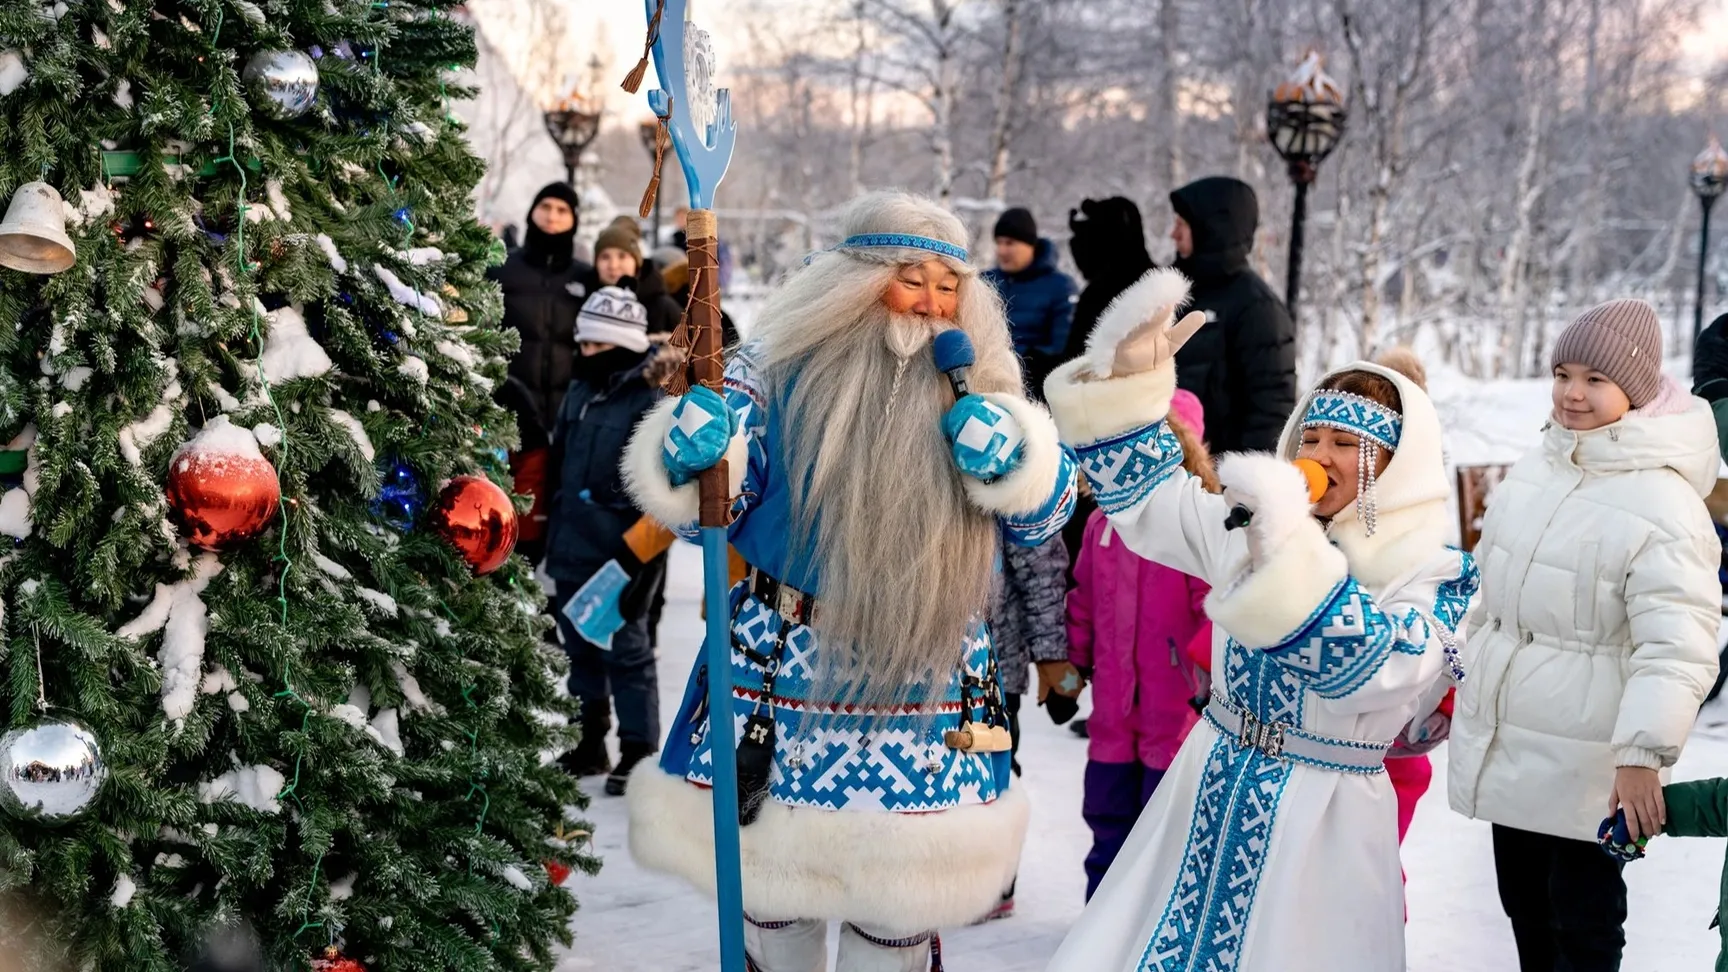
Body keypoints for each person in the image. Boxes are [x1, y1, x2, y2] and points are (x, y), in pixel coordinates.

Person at [620, 191, 1076, 971]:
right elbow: (707, 510)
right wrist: (694, 453)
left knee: (893, 917)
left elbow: (1045, 517)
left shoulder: (986, 381)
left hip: (921, 683)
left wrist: (1018, 464)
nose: (933, 303)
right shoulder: (773, 370)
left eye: (947, 283)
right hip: (781, 669)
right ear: (857, 282)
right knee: (775, 902)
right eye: (912, 278)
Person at [1040, 268, 1478, 972]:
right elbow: (1157, 507)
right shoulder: (1256, 525)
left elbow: (1381, 672)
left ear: (1397, 466)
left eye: (1350, 446)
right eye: (1313, 437)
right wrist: (1128, 396)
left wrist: (1290, 554)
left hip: (1324, 821)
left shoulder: (1435, 570)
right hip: (1208, 782)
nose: (1320, 457)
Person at [1449, 298, 1721, 972]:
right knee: (1526, 918)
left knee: (1582, 930)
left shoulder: (1663, 501)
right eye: (1563, 372)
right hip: (1513, 750)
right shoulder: (1541, 465)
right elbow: (1495, 607)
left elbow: (1678, 644)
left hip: (1589, 766)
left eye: (1595, 379)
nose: (1573, 393)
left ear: (1635, 389)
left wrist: (1641, 756)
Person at [1066, 387, 1215, 901]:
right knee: (1107, 814)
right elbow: (1083, 598)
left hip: (1173, 711)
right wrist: (1073, 665)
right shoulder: (1102, 525)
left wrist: (1208, 675)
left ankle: (1152, 927)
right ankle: (1100, 921)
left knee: (1163, 826)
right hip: (1113, 710)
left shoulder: (1195, 528)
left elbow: (1212, 609)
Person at [544, 286, 686, 796]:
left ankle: (638, 750)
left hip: (619, 555)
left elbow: (667, 494)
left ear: (622, 346)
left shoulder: (651, 401)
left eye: (596, 347)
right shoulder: (581, 391)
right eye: (582, 344)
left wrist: (639, 564)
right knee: (578, 649)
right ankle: (590, 742)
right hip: (570, 545)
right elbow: (560, 466)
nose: (584, 354)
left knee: (626, 654)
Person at [1060, 196, 1158, 740]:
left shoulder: (1111, 291)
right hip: (1134, 445)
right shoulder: (1151, 283)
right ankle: (1116, 698)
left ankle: (1113, 699)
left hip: (1106, 447)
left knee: (1106, 575)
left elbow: (1080, 367)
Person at [1167, 176, 1297, 454]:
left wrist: (1241, 489)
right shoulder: (1181, 293)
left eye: (1182, 224)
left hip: (1217, 481)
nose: (1173, 234)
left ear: (1211, 229)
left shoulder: (1257, 308)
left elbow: (1271, 412)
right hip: (1171, 473)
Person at [487, 182, 591, 432]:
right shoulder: (502, 269)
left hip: (567, 413)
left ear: (573, 219)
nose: (552, 215)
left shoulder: (586, 277)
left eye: (562, 210)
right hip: (508, 410)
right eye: (545, 206)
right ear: (532, 212)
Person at [981, 207, 1078, 398]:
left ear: (1030, 245)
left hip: (1036, 392)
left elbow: (1063, 349)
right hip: (984, 386)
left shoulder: (1060, 287)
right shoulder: (985, 282)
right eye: (998, 243)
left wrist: (1010, 361)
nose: (1002, 250)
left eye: (1009, 243)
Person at [592, 217, 684, 337]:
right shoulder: (583, 298)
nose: (613, 266)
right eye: (605, 257)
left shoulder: (663, 307)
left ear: (636, 262)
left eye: (622, 256)